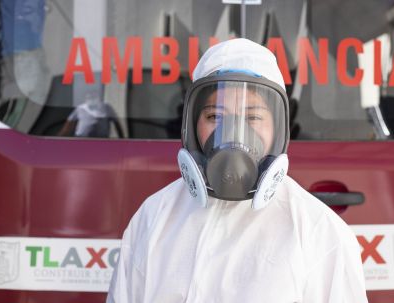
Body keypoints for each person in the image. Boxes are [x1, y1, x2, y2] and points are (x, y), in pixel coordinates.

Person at [107, 38, 368, 302]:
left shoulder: (318, 231)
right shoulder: (153, 219)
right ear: (191, 125)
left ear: (278, 128)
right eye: (215, 116)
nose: (232, 132)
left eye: (253, 116)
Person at [58, 91, 124, 138]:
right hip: (81, 140)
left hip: (102, 141)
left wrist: (122, 138)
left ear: (98, 98)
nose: (91, 99)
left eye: (93, 97)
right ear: (85, 99)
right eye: (88, 98)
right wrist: (58, 138)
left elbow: (116, 122)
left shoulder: (106, 107)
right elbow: (68, 125)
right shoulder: (80, 108)